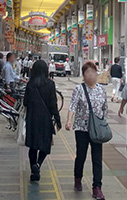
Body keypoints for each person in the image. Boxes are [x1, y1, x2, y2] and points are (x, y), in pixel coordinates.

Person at [65, 61, 107, 200]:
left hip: (96, 130)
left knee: (97, 158)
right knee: (81, 156)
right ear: (83, 75)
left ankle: (97, 187)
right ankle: (78, 177)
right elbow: (72, 106)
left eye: (93, 72)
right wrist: (69, 120)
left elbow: (104, 108)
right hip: (81, 128)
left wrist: (103, 124)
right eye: (88, 72)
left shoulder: (101, 89)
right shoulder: (79, 89)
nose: (91, 75)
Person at [24, 59, 62, 182]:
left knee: (33, 146)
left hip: (32, 118)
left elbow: (25, 102)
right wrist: (57, 119)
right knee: (45, 145)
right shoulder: (50, 84)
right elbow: (53, 104)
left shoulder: (30, 84)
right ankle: (38, 165)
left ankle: (33, 172)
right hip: (45, 119)